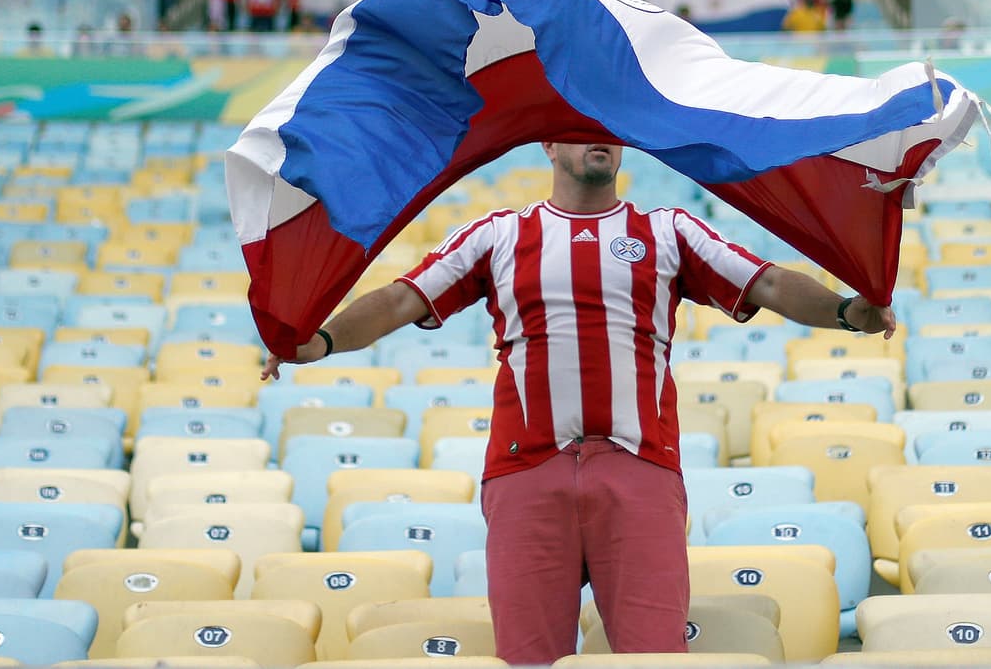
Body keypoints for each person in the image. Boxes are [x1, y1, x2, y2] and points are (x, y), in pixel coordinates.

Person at [261, 141, 895, 665]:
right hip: (526, 475)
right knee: (529, 661)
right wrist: (317, 340)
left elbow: (772, 283)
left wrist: (847, 311)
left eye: (608, 126)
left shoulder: (668, 230)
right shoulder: (499, 235)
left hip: (640, 470)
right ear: (546, 144)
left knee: (654, 659)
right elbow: (403, 298)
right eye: (577, 125)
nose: (599, 137)